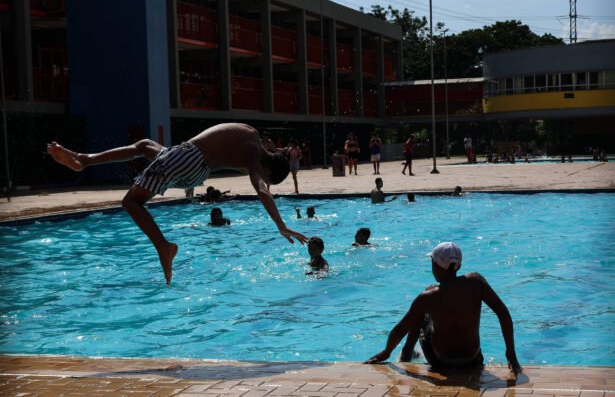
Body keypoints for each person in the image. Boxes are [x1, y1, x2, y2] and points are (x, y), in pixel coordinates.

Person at [47, 123, 308, 285]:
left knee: (131, 202)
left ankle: (163, 246)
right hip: (192, 166)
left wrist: (281, 225)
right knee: (144, 146)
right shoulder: (254, 156)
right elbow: (263, 191)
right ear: (267, 167)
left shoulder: (251, 138)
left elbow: (263, 190)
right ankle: (84, 159)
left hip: (187, 159)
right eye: (266, 177)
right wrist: (281, 226)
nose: (260, 178)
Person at [366, 242, 522, 375]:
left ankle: (406, 355)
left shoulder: (428, 297)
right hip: (472, 358)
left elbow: (400, 329)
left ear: (436, 266)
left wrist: (386, 352)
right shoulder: (477, 282)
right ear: (458, 265)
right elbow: (503, 313)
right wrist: (511, 353)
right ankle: (408, 354)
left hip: (441, 360)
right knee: (425, 302)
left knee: (421, 310)